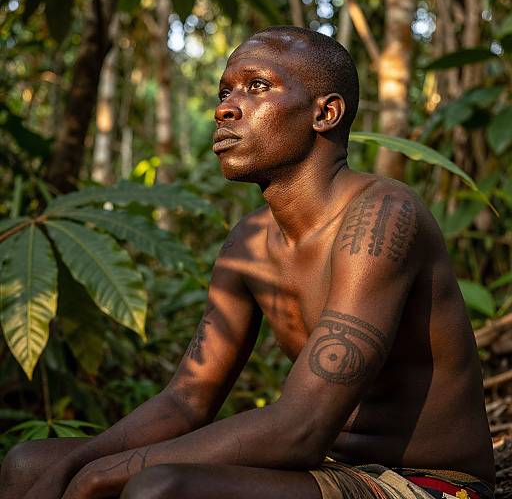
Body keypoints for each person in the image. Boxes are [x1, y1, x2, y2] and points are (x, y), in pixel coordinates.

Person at [0, 26, 494, 499]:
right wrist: (77, 464)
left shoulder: (382, 214)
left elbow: (301, 427)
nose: (225, 110)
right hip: (327, 470)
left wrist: (102, 473)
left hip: (428, 482)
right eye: (224, 92)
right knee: (28, 465)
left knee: (159, 489)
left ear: (325, 114)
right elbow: (186, 400)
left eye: (257, 86)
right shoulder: (249, 242)